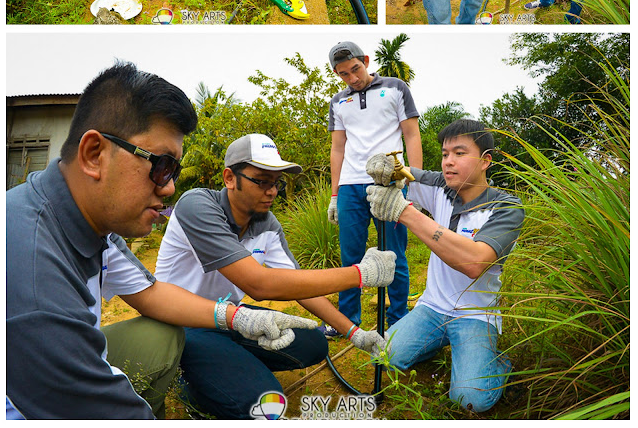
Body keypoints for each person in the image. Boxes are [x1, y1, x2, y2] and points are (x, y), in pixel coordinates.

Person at [6, 63, 319, 420]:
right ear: (94, 154)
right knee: (261, 402)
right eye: (161, 165)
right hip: (26, 408)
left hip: (75, 364)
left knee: (169, 337)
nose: (169, 187)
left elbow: (150, 293)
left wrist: (235, 317)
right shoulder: (33, 273)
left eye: (174, 171)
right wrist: (360, 274)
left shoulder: (90, 223)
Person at [155, 133, 395, 419]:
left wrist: (353, 332)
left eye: (276, 182)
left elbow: (296, 283)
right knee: (265, 404)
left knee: (314, 343)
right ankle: (190, 379)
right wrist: (360, 274)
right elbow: (257, 284)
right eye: (261, 180)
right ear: (230, 178)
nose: (271, 191)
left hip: (232, 317)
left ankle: (226, 364)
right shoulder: (197, 207)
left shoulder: (266, 223)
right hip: (182, 323)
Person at [365, 119, 525, 412]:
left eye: (460, 153)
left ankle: (498, 363)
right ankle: (435, 342)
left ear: (485, 161)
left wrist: (405, 213)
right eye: (444, 154)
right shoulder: (441, 184)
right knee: (383, 357)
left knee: (470, 400)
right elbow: (403, 173)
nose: (449, 162)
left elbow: (474, 262)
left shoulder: (506, 208)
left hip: (475, 316)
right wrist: (384, 166)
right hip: (431, 308)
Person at [325, 41, 422, 338]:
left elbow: (412, 136)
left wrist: (414, 187)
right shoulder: (338, 102)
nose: (352, 78)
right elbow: (338, 148)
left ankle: (398, 320)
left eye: (355, 69)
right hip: (351, 185)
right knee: (350, 256)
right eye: (343, 74)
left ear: (365, 61)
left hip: (390, 182)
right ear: (336, 74)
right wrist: (334, 195)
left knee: (395, 254)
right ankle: (346, 321)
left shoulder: (395, 88)